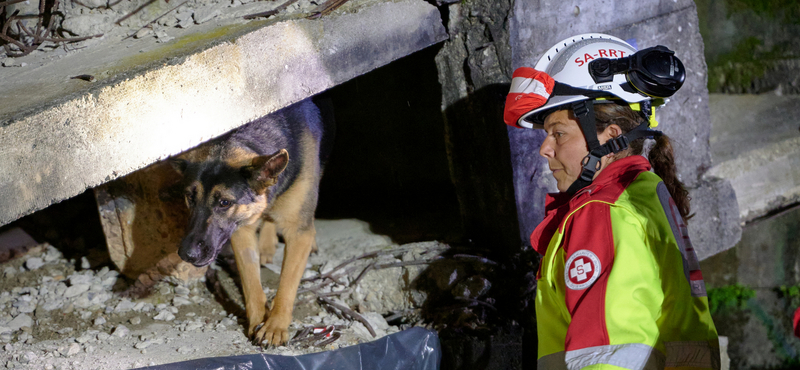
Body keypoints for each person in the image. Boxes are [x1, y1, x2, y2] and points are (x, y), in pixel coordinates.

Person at [503, 33, 720, 369]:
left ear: (610, 137)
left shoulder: (602, 213)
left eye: (558, 133)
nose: (545, 149)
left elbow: (608, 356)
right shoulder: (647, 192)